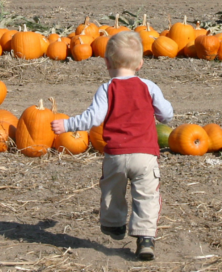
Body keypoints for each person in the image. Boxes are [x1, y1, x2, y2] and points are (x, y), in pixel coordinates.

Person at [51, 30, 174, 261]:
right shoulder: (149, 86)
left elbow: (92, 119)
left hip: (115, 155)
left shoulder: (106, 89)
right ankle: (146, 238)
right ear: (140, 64)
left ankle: (113, 224)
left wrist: (67, 125)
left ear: (106, 62)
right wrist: (160, 116)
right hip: (145, 156)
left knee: (111, 191)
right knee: (147, 196)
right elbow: (167, 114)